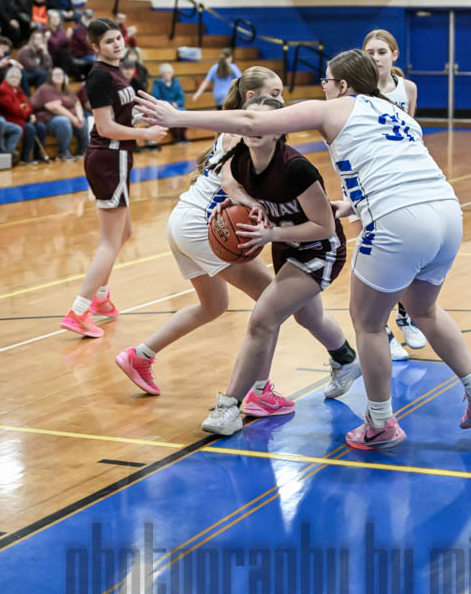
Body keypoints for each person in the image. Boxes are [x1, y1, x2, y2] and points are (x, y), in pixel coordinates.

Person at [136, 48, 471, 450]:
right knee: (425, 310)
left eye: (326, 80)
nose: (323, 87)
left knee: (368, 324)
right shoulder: (397, 114)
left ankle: (380, 422)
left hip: (395, 222)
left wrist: (177, 117)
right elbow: (400, 170)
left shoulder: (333, 111)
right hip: (447, 212)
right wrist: (355, 205)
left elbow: (252, 120)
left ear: (342, 85)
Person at [117, 72, 360, 433]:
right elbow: (229, 182)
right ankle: (315, 370)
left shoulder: (293, 166)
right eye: (273, 94)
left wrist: (263, 223)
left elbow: (323, 226)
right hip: (213, 225)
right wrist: (243, 206)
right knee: (280, 310)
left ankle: (244, 391)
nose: (280, 103)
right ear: (248, 105)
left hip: (306, 244)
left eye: (281, 98)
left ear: (279, 129)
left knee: (258, 311)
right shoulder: (242, 146)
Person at [61, 18, 166, 337]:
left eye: (118, 38)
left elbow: (120, 114)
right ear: (95, 47)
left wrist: (144, 115)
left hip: (114, 157)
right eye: (108, 41)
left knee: (124, 232)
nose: (117, 44)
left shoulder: (116, 73)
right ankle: (79, 310)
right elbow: (105, 127)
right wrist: (145, 134)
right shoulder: (99, 76)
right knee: (110, 241)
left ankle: (102, 300)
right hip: (109, 157)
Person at [363, 29, 426, 360]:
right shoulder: (359, 91)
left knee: (410, 251)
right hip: (370, 181)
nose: (376, 58)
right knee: (378, 258)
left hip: (403, 180)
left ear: (394, 55)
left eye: (382, 52)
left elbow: (410, 132)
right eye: (370, 52)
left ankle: (406, 315)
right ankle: (382, 327)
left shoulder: (408, 88)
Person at [30, 67, 90, 161]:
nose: (59, 76)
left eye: (61, 74)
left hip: (68, 118)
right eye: (56, 74)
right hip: (48, 121)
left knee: (83, 121)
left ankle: (83, 151)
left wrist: (79, 117)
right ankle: (62, 154)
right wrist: (73, 118)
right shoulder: (45, 88)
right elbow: (54, 107)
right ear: (50, 77)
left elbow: (77, 103)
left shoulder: (66, 89)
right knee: (64, 121)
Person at [0, 65, 49, 164]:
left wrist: (29, 113)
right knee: (30, 128)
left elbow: (28, 105)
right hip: (11, 119)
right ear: (6, 78)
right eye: (12, 77)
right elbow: (13, 109)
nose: (15, 79)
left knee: (41, 127)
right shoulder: (3, 89)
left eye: (17, 77)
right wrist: (26, 113)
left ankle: (39, 155)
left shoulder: (18, 90)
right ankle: (25, 157)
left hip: (22, 118)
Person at [151, 63, 187, 142]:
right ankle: (176, 136)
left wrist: (177, 103)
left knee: (184, 113)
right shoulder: (157, 83)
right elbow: (156, 97)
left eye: (169, 73)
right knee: (172, 114)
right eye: (165, 73)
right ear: (162, 74)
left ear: (172, 73)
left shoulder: (176, 82)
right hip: (164, 108)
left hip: (177, 106)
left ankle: (183, 135)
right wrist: (170, 103)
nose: (167, 75)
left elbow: (181, 96)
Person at [17, 28, 52, 93]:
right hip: (24, 75)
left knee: (48, 72)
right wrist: (43, 67)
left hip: (36, 74)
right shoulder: (25, 50)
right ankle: (39, 94)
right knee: (43, 73)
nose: (40, 41)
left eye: (41, 39)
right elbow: (31, 67)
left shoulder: (42, 50)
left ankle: (45, 93)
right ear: (32, 40)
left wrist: (45, 53)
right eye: (37, 39)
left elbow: (49, 65)